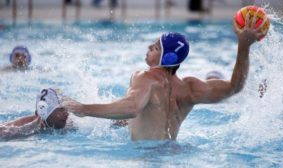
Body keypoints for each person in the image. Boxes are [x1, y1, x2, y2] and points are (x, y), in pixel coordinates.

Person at [63, 14, 264, 141]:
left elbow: (132, 108)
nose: (149, 47)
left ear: (167, 57)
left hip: (145, 158)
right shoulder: (191, 88)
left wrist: (84, 109)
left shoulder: (145, 78)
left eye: (156, 47)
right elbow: (235, 87)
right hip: (174, 155)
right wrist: (243, 46)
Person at [0, 88, 69, 139]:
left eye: (66, 108)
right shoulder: (26, 128)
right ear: (45, 113)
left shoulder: (67, 123)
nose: (67, 114)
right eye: (61, 109)